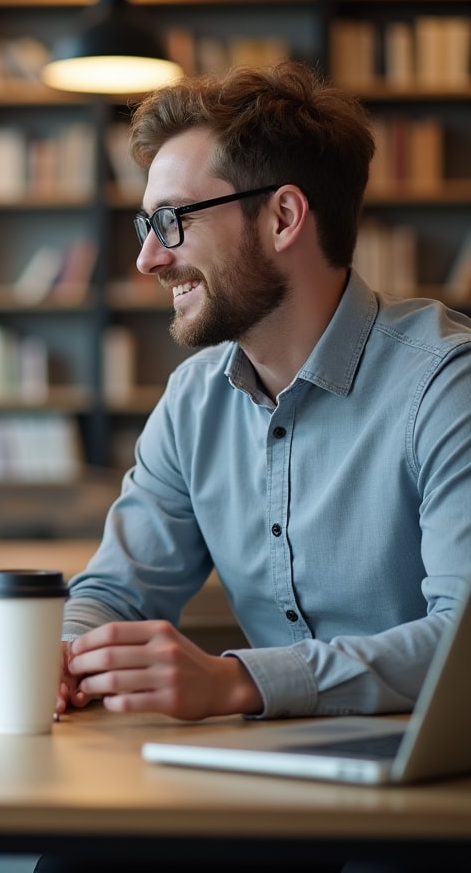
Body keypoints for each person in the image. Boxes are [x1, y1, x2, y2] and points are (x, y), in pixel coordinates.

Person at [38, 60, 471, 873]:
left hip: (429, 802)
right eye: (145, 227)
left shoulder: (447, 386)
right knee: (82, 856)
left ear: (282, 217)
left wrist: (242, 683)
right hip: (262, 788)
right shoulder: (194, 400)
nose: (147, 262)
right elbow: (109, 593)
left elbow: (464, 648)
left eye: (171, 223)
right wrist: (74, 656)